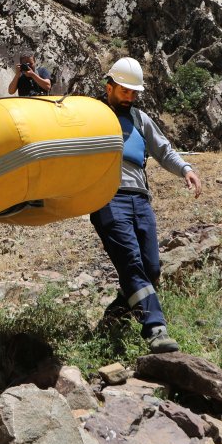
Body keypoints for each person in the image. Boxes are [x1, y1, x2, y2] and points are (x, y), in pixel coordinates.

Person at [92, 57, 202, 354]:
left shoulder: (140, 119)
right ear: (110, 87)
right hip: (108, 199)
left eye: (134, 92)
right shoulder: (92, 115)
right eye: (124, 91)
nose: (130, 97)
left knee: (151, 269)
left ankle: (113, 319)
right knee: (130, 262)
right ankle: (155, 328)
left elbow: (163, 150)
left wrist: (185, 169)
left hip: (140, 199)